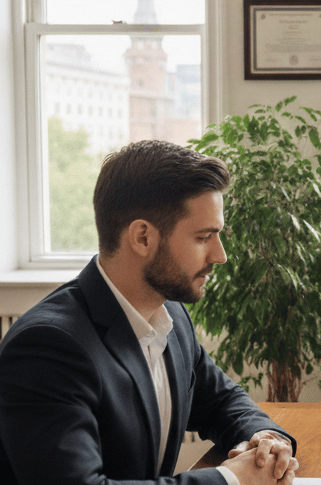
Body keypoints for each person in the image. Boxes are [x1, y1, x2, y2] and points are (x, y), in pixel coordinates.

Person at [0, 140, 300, 484]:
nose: (220, 256)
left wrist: (265, 439)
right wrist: (229, 480)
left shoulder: (169, 314)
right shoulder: (48, 348)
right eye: (204, 237)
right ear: (143, 238)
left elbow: (220, 400)